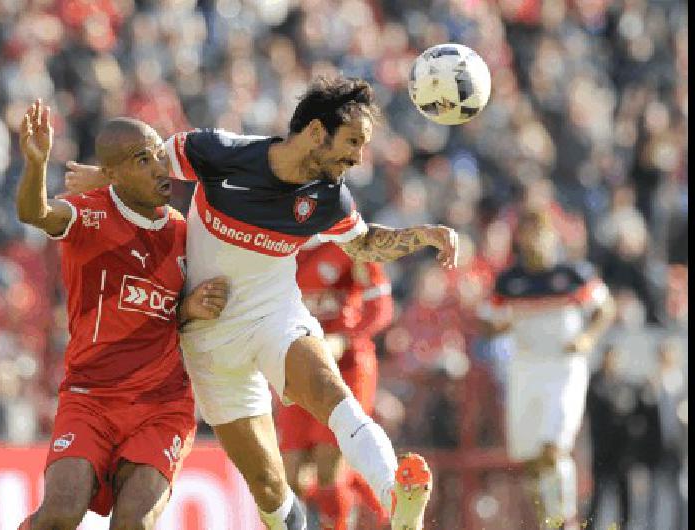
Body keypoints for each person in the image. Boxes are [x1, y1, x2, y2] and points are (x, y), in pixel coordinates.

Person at [66, 76, 459, 530]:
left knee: (334, 396)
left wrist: (423, 236)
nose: (357, 157)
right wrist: (103, 179)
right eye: (352, 142)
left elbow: (365, 243)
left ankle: (397, 497)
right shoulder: (219, 152)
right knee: (271, 489)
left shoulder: (329, 196)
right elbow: (150, 168)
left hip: (275, 315)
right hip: (210, 342)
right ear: (315, 132)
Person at [14, 99, 229, 530]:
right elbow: (34, 213)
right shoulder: (90, 215)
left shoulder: (184, 235)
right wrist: (36, 165)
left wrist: (189, 305)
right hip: (90, 397)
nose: (158, 169)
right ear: (113, 174)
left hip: (161, 405)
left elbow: (171, 312)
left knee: (133, 522)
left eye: (158, 156)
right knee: (59, 513)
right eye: (142, 160)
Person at [479, 207, 616, 529]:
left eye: (540, 232)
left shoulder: (573, 274)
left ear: (552, 235)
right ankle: (546, 520)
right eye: (528, 232)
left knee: (554, 446)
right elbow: (490, 321)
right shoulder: (509, 281)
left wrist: (587, 339)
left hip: (563, 367)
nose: (535, 240)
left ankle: (566, 520)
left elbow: (604, 308)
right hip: (525, 368)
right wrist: (500, 325)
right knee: (531, 458)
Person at [278, 239, 394, 528]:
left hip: (348, 366)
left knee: (328, 466)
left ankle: (353, 514)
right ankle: (371, 497)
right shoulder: (275, 243)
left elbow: (380, 306)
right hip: (299, 367)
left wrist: (345, 338)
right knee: (292, 475)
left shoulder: (347, 241)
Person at [584, 345, 639, 529]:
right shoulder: (594, 382)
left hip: (622, 451)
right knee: (597, 497)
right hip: (601, 449)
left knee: (624, 498)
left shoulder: (625, 384)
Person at [635, 338, 687, 530]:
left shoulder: (682, 383)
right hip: (656, 449)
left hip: (679, 449)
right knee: (653, 496)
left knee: (681, 494)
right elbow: (640, 419)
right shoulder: (651, 382)